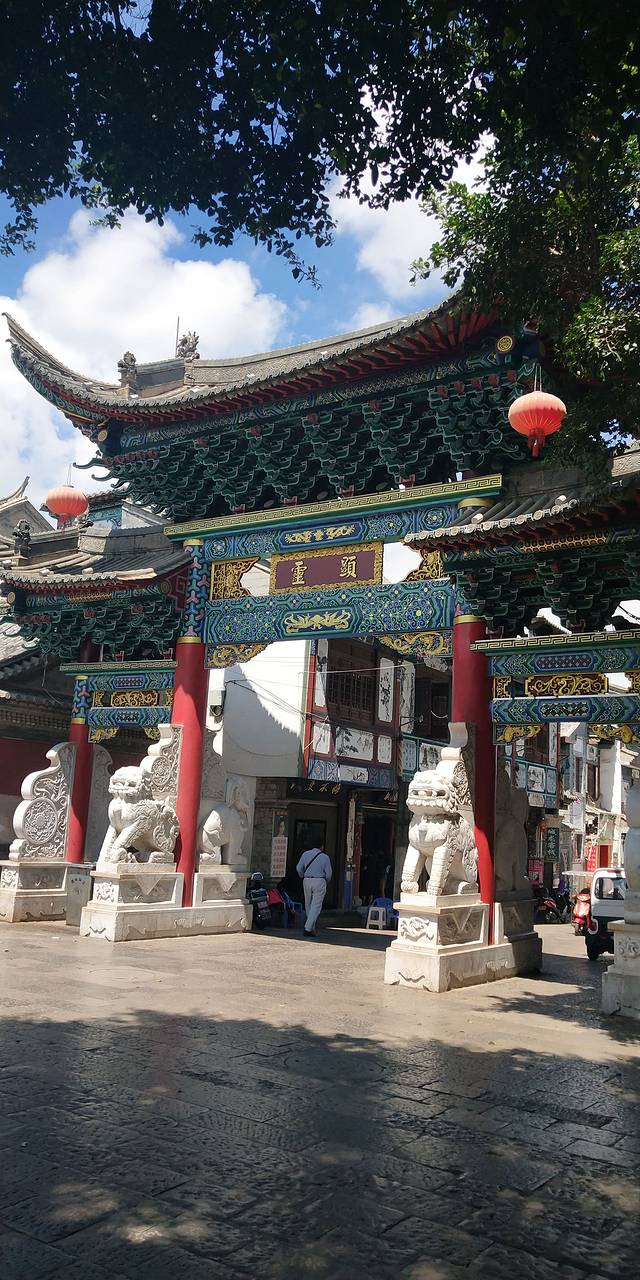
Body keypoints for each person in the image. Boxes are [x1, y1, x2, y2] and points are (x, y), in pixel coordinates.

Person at [296, 844, 332, 937]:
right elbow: (329, 874)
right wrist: (326, 881)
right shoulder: (325, 857)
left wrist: (302, 876)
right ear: (322, 846)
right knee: (316, 906)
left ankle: (311, 928)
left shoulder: (305, 854)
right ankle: (308, 928)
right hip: (320, 880)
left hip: (307, 880)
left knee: (308, 905)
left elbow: (299, 868)